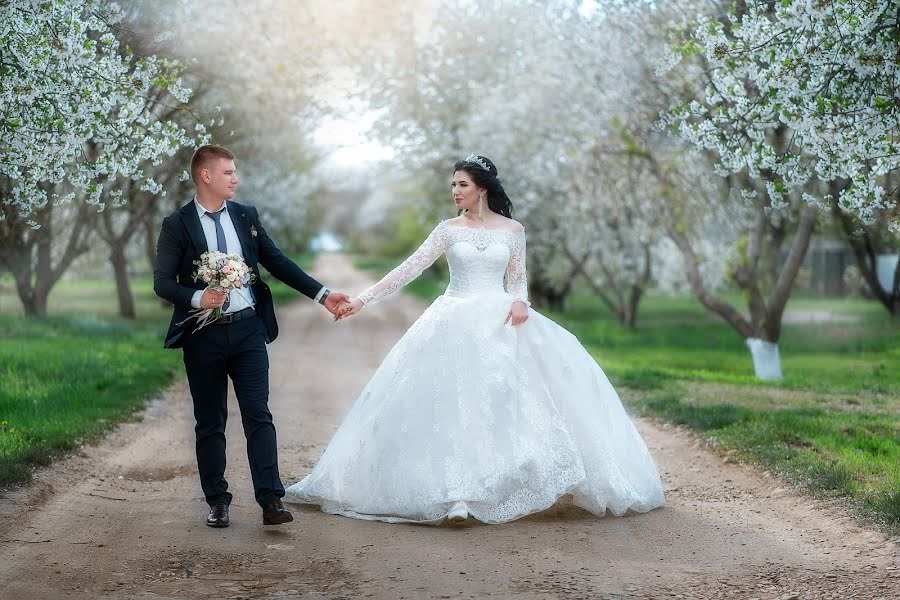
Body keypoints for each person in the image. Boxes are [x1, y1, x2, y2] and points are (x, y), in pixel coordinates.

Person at [284, 154, 665, 524]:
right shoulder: (448, 230)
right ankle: (457, 497)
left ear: (482, 189)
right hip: (452, 319)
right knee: (452, 406)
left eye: (462, 184)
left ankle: (493, 485)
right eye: (453, 185)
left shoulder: (514, 231)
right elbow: (408, 270)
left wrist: (521, 301)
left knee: (498, 406)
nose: (455, 191)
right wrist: (362, 300)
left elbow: (518, 278)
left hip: (500, 322)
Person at [154, 144, 349, 528]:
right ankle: (217, 501)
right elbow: (162, 282)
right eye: (228, 172)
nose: (235, 178)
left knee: (258, 414)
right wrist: (197, 297)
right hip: (202, 334)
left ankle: (271, 500)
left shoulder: (246, 217)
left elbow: (277, 261)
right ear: (205, 175)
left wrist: (323, 295)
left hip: (247, 330)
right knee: (210, 421)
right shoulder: (177, 225)